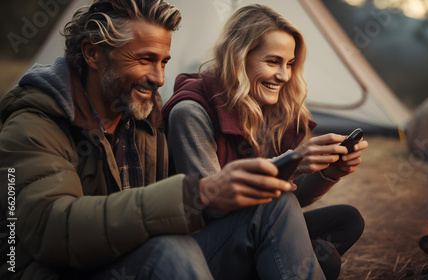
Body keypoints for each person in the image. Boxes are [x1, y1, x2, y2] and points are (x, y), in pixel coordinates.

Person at [0, 1, 326, 279]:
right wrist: (196, 194)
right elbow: (50, 230)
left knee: (274, 207)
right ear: (92, 53)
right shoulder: (32, 126)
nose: (159, 78)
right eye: (144, 59)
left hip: (145, 258)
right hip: (76, 271)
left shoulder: (142, 119)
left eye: (164, 62)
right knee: (170, 249)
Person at [162, 4, 368, 279]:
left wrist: (327, 173)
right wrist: (292, 162)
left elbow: (287, 202)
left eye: (290, 64)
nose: (284, 75)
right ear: (239, 57)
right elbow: (211, 206)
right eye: (273, 62)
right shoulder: (192, 112)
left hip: (250, 226)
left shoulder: (268, 110)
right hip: (199, 246)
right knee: (322, 258)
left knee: (347, 219)